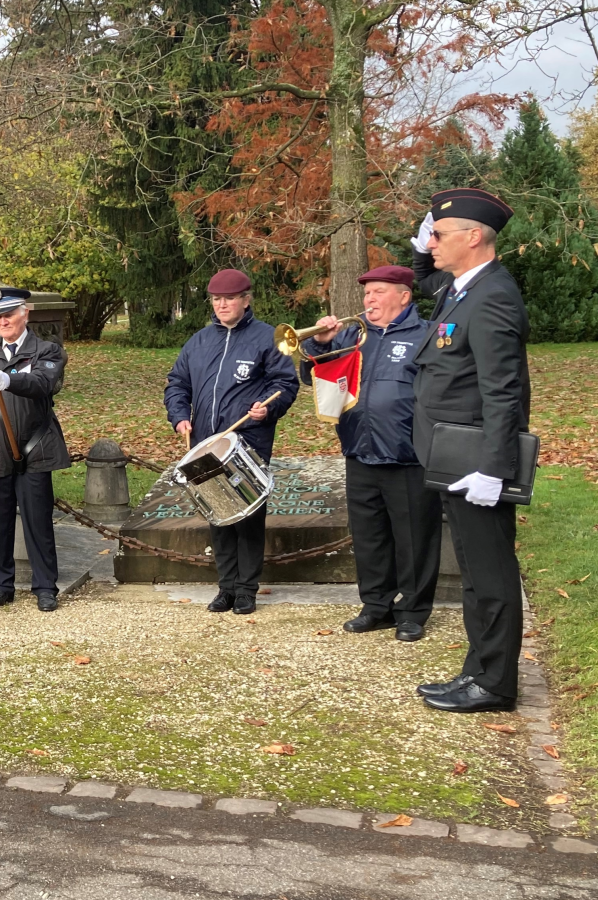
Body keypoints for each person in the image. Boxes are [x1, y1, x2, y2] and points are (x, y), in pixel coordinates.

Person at [408, 188, 530, 714]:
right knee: (477, 576)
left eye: (439, 235)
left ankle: (496, 684)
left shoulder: (493, 294)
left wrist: (493, 469)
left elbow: (503, 391)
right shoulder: (462, 289)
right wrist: (425, 239)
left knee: (492, 574)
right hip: (452, 456)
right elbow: (425, 276)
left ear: (474, 237)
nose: (430, 244)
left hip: (475, 459)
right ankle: (478, 670)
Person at [300, 266, 440, 643]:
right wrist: (322, 344)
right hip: (360, 450)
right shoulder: (352, 336)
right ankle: (376, 606)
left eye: (379, 292)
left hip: (408, 454)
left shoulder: (426, 335)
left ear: (404, 296)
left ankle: (412, 611)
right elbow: (312, 377)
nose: (369, 300)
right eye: (367, 294)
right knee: (369, 536)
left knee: (414, 537)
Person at [164, 269, 299, 615]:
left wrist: (266, 409)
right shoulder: (199, 341)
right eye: (217, 299)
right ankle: (226, 587)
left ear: (245, 299)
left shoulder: (267, 338)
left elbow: (285, 384)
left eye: (229, 298)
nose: (222, 304)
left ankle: (246, 590)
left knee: (247, 515)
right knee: (218, 516)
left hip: (247, 442)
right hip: (207, 443)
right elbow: (177, 383)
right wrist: (179, 415)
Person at [0, 288, 68, 612]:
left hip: (34, 446)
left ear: (25, 313)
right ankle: (2, 584)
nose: (3, 320)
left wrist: (9, 381)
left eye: (9, 313)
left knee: (38, 519)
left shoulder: (47, 350)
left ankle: (44, 586)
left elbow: (44, 383)